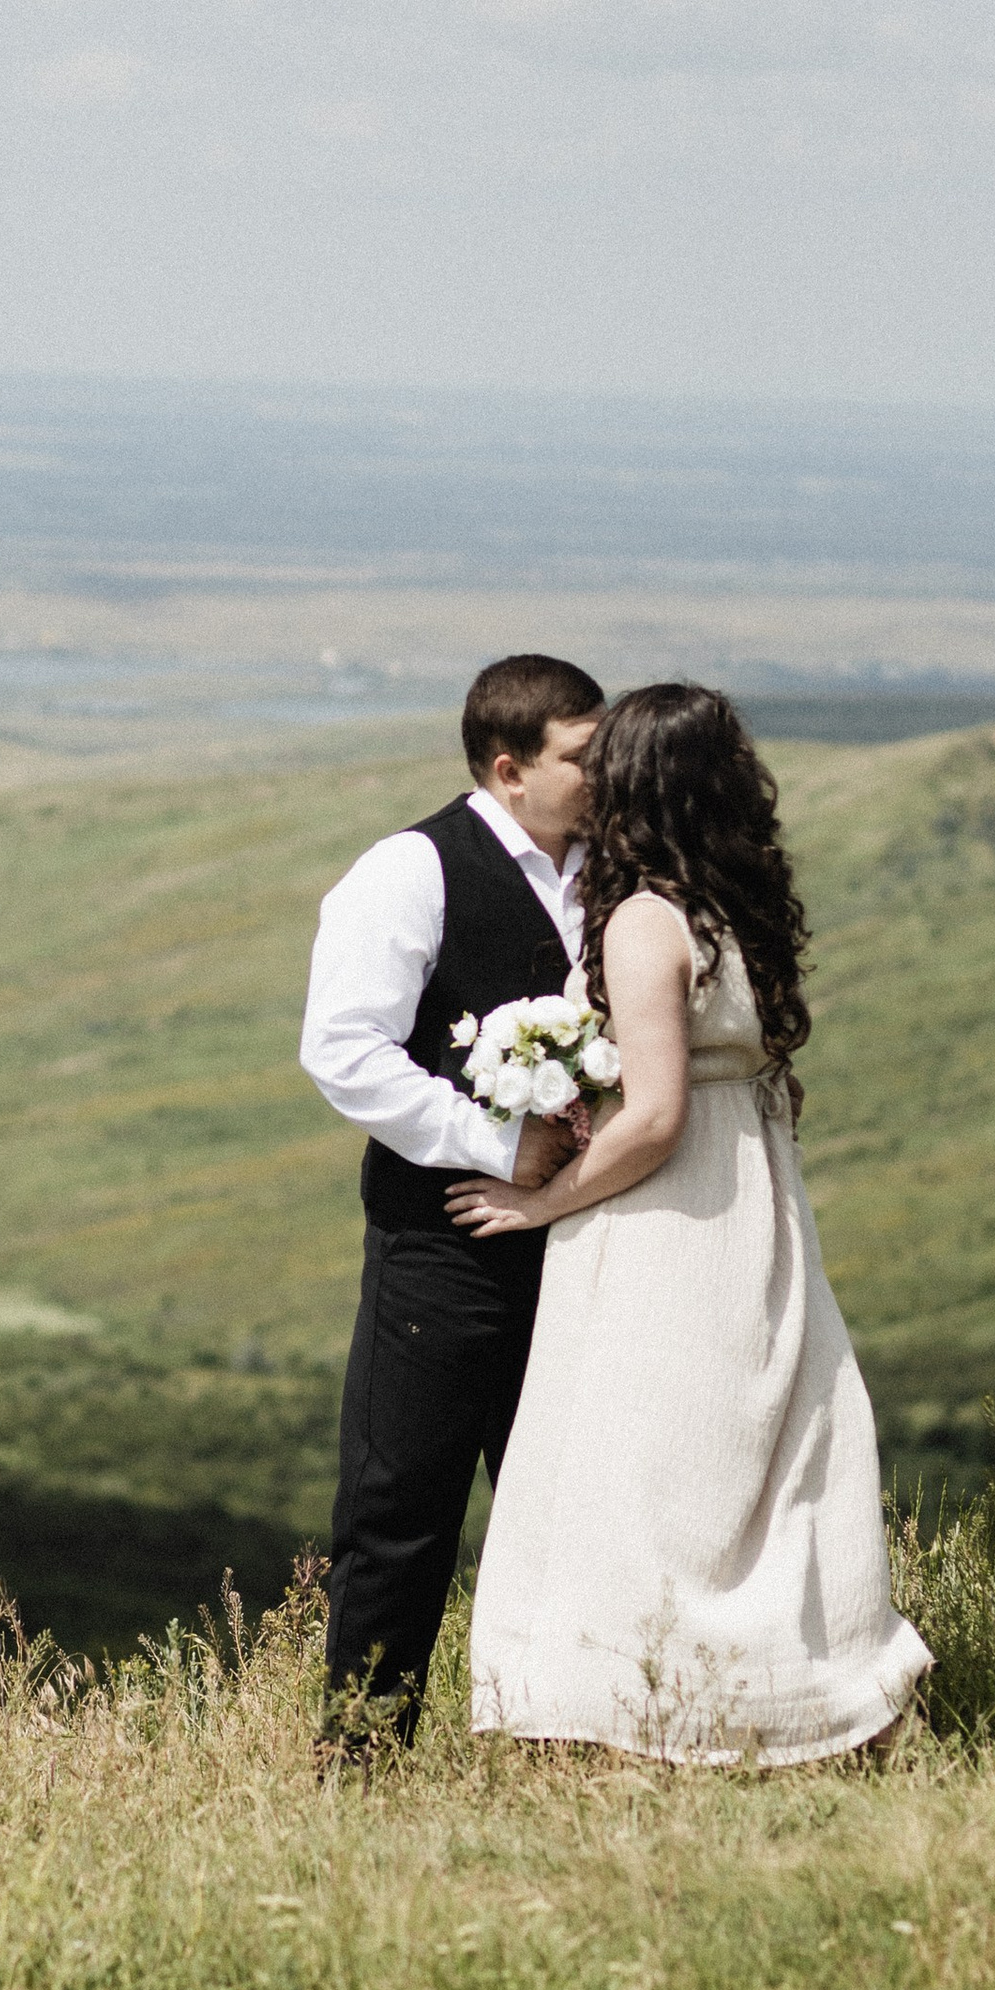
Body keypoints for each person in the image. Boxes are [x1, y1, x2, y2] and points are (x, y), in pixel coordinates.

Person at [452, 682, 929, 1766]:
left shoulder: (641, 921)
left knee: (638, 1464)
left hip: (665, 1227)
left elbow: (657, 1115)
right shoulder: (736, 913)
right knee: (765, 1459)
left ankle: (643, 1711)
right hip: (757, 1210)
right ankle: (807, 1693)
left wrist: (539, 1202)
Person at [299, 652, 604, 1744]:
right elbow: (341, 1049)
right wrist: (489, 1140)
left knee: (573, 1504)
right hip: (443, 1243)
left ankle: (565, 1739)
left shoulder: (610, 873)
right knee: (402, 1509)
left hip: (584, 1244)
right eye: (582, 756)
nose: (602, 773)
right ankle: (363, 1755)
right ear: (509, 766)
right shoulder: (410, 869)